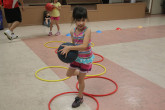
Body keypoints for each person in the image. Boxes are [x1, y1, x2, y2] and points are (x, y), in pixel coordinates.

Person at [59, 7, 95, 108]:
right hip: (77, 58)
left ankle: (80, 97)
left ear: (86, 20)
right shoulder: (72, 31)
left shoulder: (87, 30)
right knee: (68, 74)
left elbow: (83, 46)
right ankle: (80, 73)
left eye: (83, 20)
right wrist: (68, 54)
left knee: (80, 81)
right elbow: (75, 46)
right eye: (78, 20)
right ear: (74, 20)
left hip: (86, 59)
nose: (81, 23)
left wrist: (69, 47)